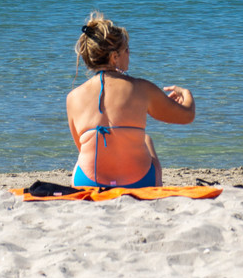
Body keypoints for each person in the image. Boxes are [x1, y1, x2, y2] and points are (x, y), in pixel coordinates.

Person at [66, 12, 195, 188]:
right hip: (138, 182)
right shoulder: (142, 89)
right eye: (126, 49)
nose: (129, 53)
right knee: (147, 140)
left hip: (89, 182)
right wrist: (186, 94)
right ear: (114, 57)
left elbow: (81, 147)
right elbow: (187, 115)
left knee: (84, 153)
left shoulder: (73, 98)